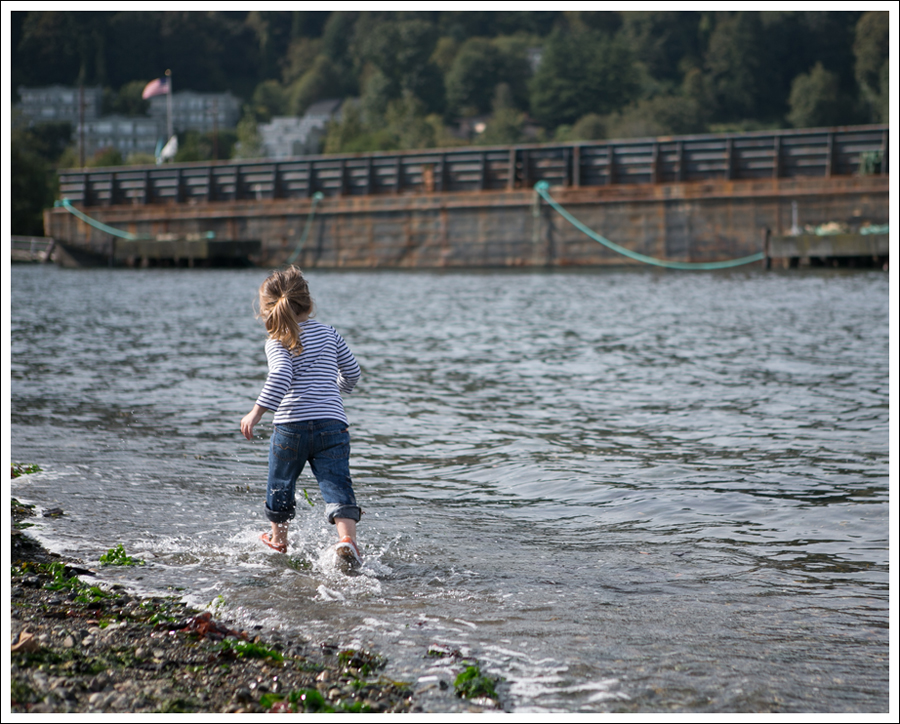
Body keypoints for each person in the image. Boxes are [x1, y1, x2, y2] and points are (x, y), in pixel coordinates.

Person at [240, 266, 363, 564]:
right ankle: (347, 541)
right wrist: (335, 391)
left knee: (280, 482)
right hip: (332, 424)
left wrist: (256, 411)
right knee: (337, 483)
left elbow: (281, 375)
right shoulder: (329, 332)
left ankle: (278, 541)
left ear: (268, 310)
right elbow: (353, 373)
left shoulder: (277, 340)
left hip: (290, 427)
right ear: (308, 303)